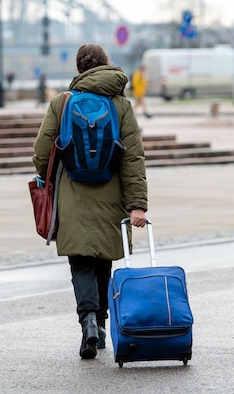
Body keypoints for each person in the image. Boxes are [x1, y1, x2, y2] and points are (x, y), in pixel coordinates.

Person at [32, 43, 148, 360]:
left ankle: (87, 323)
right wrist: (137, 205)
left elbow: (41, 153)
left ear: (79, 68)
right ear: (106, 65)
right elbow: (133, 159)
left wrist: (49, 176)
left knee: (80, 260)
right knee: (103, 260)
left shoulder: (62, 102)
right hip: (111, 191)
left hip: (72, 192)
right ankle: (100, 321)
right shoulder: (120, 104)